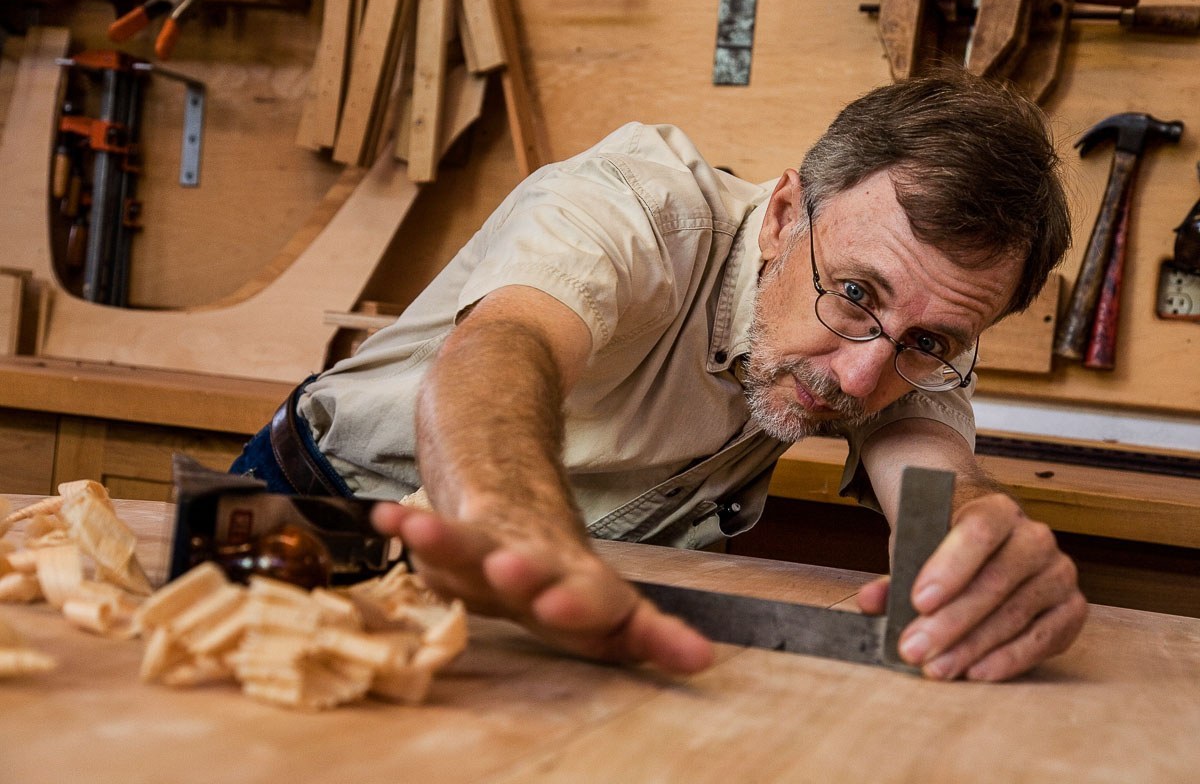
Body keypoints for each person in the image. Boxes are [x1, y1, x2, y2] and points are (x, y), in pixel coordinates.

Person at [231, 70, 1087, 681]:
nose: (863, 378)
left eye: (927, 341)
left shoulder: (916, 336)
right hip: (329, 513)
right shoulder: (633, 205)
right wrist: (508, 515)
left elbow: (926, 462)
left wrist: (968, 535)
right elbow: (504, 348)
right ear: (783, 216)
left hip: (579, 591)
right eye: (856, 294)